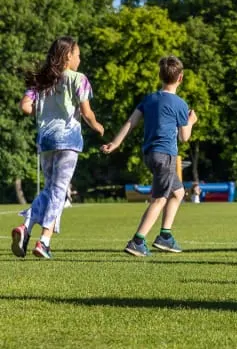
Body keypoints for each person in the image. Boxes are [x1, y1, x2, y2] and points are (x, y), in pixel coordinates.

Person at [11, 37, 104, 259]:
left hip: (46, 141)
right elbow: (86, 112)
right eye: (78, 55)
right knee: (59, 191)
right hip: (68, 140)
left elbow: (25, 107)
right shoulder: (78, 79)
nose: (80, 59)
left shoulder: (41, 81)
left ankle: (25, 227)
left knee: (51, 188)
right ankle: (43, 241)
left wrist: (44, 113)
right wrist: (98, 127)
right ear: (68, 56)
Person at [101, 56, 198, 257]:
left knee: (178, 193)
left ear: (160, 76)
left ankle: (165, 236)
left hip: (150, 154)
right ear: (181, 78)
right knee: (159, 199)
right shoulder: (180, 103)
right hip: (166, 155)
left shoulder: (150, 99)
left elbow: (131, 122)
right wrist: (191, 121)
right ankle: (137, 240)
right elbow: (184, 137)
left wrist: (115, 143)